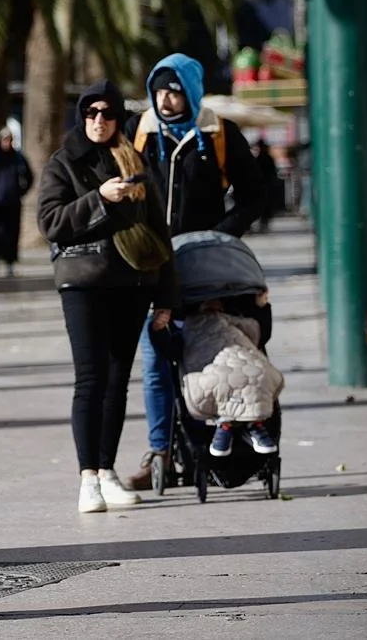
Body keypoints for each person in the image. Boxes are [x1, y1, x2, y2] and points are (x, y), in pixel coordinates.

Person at [121, 52, 266, 491]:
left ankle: (205, 450)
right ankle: (160, 451)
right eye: (160, 90)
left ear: (192, 91)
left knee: (205, 357)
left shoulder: (219, 133)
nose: (166, 100)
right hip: (153, 267)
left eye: (176, 90)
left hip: (205, 269)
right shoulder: (138, 132)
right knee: (155, 361)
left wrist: (217, 238)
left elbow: (256, 196)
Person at [38, 79, 178, 513]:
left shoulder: (134, 161)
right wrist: (99, 198)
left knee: (118, 381)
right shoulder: (63, 163)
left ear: (119, 119)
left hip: (132, 283)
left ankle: (107, 470)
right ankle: (87, 480)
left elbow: (159, 230)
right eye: (91, 113)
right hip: (82, 281)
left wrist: (166, 296)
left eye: (108, 113)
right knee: (91, 378)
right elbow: (51, 222)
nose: (99, 121)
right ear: (82, 117)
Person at [181, 297, 282, 456]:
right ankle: (254, 423)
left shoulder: (189, 325)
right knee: (258, 378)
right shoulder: (234, 321)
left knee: (211, 384)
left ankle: (225, 424)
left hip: (212, 370)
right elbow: (256, 332)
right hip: (249, 366)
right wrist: (263, 306)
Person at [0, 127, 33, 276]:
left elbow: (29, 176)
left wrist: (21, 192)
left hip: (13, 201)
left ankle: (10, 262)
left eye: (9, 139)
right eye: (4, 139)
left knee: (12, 233)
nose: (7, 143)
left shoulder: (18, 158)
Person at [251, 139, 282, 232]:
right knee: (265, 206)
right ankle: (264, 224)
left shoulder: (261, 158)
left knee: (264, 206)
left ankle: (263, 224)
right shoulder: (265, 158)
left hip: (264, 185)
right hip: (266, 185)